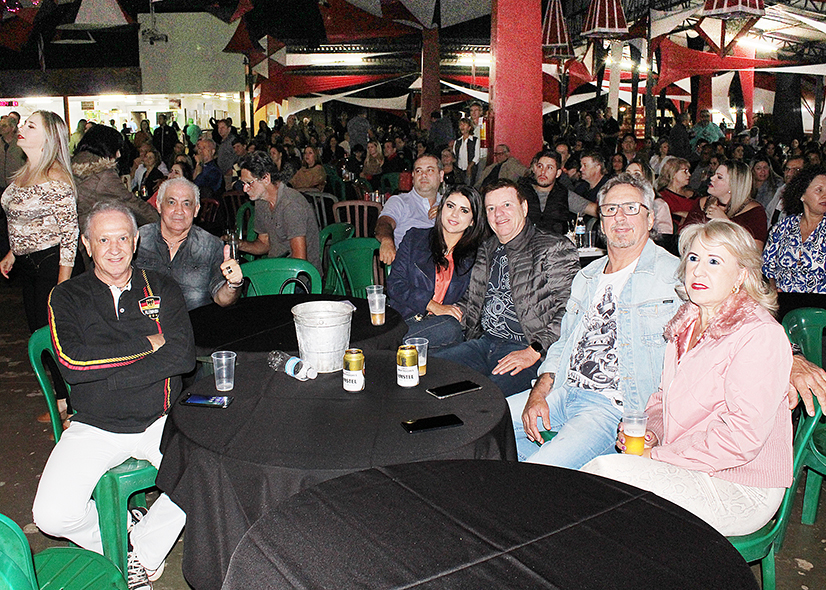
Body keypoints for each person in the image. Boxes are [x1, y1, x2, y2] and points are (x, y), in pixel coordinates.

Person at [583, 219, 792, 537]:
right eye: (693, 258)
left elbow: (740, 439)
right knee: (603, 486)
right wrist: (650, 431)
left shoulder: (759, 334)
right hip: (687, 461)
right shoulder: (687, 321)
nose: (698, 270)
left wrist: (655, 455)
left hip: (740, 483)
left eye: (714, 261)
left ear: (741, 275)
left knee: (603, 476)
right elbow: (664, 398)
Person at [33, 201, 194, 589]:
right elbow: (72, 362)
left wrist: (112, 377)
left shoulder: (162, 287)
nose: (115, 247)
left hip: (160, 418)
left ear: (136, 241)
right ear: (87, 244)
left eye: (123, 237)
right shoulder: (67, 296)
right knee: (51, 515)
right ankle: (119, 536)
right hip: (95, 424)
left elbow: (182, 355)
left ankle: (140, 552)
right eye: (103, 239)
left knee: (208, 479)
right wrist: (146, 343)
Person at [508, 173, 683, 468]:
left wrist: (791, 358)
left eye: (631, 208)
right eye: (610, 210)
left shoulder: (676, 275)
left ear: (650, 219)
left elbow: (735, 316)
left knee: (541, 470)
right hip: (564, 392)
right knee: (483, 428)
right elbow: (564, 343)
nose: (620, 218)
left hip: (612, 409)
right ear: (600, 222)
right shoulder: (587, 276)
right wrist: (539, 392)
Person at [432, 179, 579, 396]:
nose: (498, 213)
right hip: (484, 344)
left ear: (524, 207)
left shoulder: (552, 247)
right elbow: (474, 299)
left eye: (506, 205)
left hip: (526, 348)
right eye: (491, 208)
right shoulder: (487, 248)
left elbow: (572, 309)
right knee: (431, 373)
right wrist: (439, 310)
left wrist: (535, 350)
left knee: (481, 399)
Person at [1, 111, 78, 333]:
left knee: (51, 337)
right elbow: (30, 220)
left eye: (31, 126)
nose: (21, 129)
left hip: (51, 264)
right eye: (24, 124)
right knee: (39, 333)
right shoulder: (26, 170)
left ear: (49, 137)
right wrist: (13, 252)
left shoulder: (55, 176)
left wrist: (62, 286)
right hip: (29, 265)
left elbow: (70, 234)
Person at [387, 185, 486, 351]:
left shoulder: (476, 256)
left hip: (442, 327)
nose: (454, 214)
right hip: (405, 319)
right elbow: (395, 284)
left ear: (473, 221)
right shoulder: (416, 238)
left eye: (464, 210)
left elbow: (474, 302)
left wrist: (456, 312)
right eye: (450, 206)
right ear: (441, 208)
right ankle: (397, 347)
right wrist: (432, 305)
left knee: (451, 328)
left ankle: (391, 347)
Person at [136, 178, 244, 310]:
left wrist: (233, 284)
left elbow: (222, 300)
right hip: (144, 326)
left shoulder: (211, 246)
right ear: (159, 205)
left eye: (186, 204)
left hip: (193, 325)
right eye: (171, 202)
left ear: (196, 210)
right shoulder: (137, 240)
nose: (179, 210)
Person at [71, 124, 159, 268]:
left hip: (73, 242)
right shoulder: (103, 174)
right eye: (117, 148)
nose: (118, 154)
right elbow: (132, 204)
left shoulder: (73, 165)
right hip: (89, 245)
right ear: (105, 146)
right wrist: (160, 222)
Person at [237, 151, 321, 272]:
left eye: (249, 183)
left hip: (301, 277)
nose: (245, 189)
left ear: (266, 178)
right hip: (279, 267)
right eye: (243, 184)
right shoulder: (261, 201)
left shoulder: (291, 205)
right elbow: (264, 243)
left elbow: (300, 261)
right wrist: (239, 244)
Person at [763, 166, 826, 294]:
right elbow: (766, 268)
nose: (825, 195)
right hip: (784, 304)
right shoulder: (782, 227)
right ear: (802, 194)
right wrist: (773, 291)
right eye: (819, 190)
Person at [681, 160, 768, 248]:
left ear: (733, 185)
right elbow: (684, 236)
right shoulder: (703, 203)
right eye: (714, 174)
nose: (712, 178)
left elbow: (754, 251)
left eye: (719, 177)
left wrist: (725, 223)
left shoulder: (754, 212)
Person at [375, 154, 444, 264]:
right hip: (412, 268)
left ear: (441, 176)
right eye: (418, 171)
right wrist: (387, 240)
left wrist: (445, 212)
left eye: (430, 170)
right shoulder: (399, 201)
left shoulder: (449, 204)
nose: (423, 175)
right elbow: (384, 223)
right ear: (413, 177)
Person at [520, 149, 596, 235]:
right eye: (540, 166)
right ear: (534, 169)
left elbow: (596, 210)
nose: (543, 172)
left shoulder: (563, 194)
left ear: (558, 173)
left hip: (555, 244)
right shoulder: (520, 193)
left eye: (549, 168)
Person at [656, 157, 694, 226]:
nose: (689, 175)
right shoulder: (663, 196)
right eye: (685, 171)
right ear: (673, 173)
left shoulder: (693, 194)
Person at [453, 118, 479, 184]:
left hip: (470, 169)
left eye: (464, 124)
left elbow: (476, 156)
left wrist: (470, 166)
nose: (462, 126)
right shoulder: (457, 141)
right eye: (461, 124)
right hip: (459, 169)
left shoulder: (475, 140)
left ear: (469, 127)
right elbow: (454, 155)